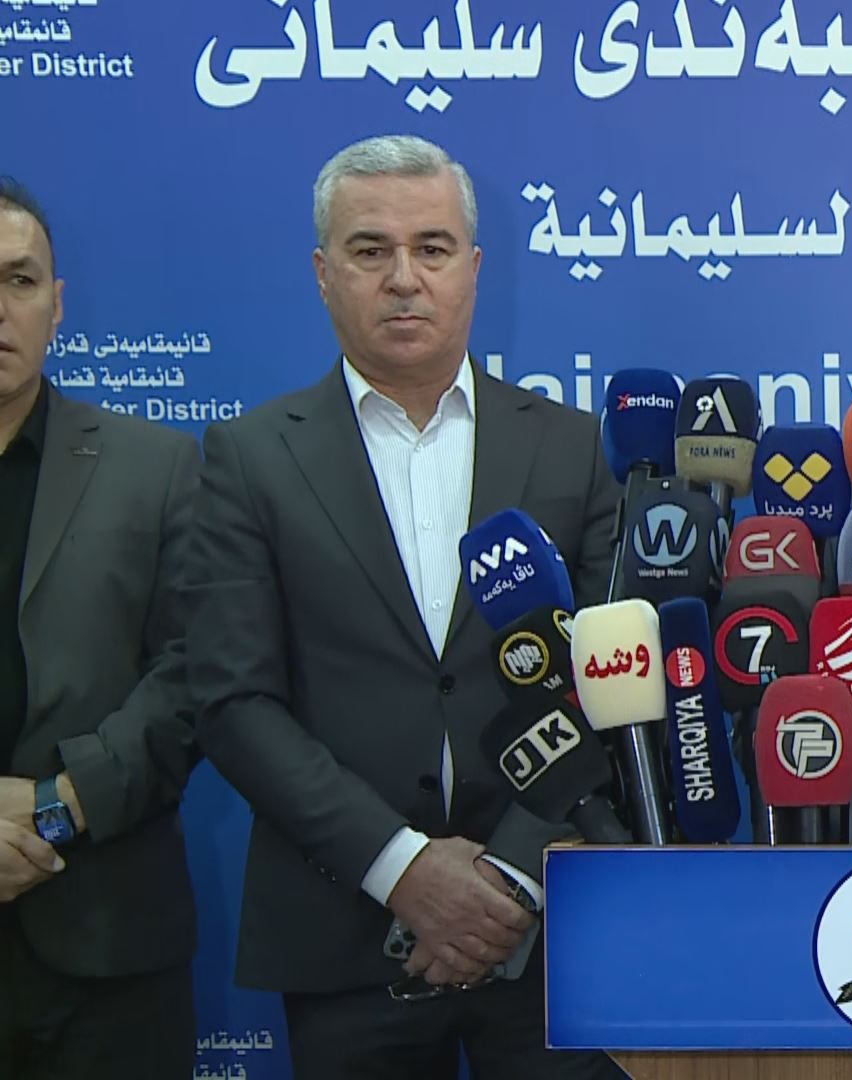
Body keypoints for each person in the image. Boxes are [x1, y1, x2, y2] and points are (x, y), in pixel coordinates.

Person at [186, 135, 622, 1079]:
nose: (403, 278)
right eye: (370, 250)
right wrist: (404, 869)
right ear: (322, 273)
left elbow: (609, 680)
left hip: (550, 931)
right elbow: (233, 700)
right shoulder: (249, 458)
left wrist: (510, 875)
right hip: (344, 933)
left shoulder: (570, 447)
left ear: (474, 267)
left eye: (432, 248)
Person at [0, 177, 201, 1077]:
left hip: (109, 942)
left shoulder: (154, 467)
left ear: (57, 305)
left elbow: (195, 671)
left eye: (18, 280)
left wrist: (58, 806)